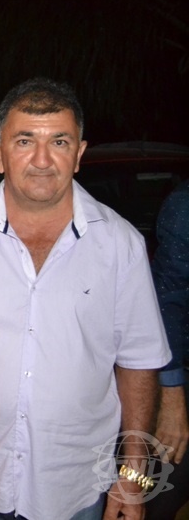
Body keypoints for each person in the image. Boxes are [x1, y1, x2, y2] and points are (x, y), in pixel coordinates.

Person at [0, 78, 172, 520]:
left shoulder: (120, 245)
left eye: (59, 141)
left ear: (79, 154)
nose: (42, 160)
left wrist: (133, 476)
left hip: (77, 486)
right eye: (25, 141)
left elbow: (139, 362)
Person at [148, 178, 189, 517]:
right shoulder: (185, 206)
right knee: (154, 492)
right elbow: (165, 302)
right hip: (182, 381)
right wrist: (171, 399)